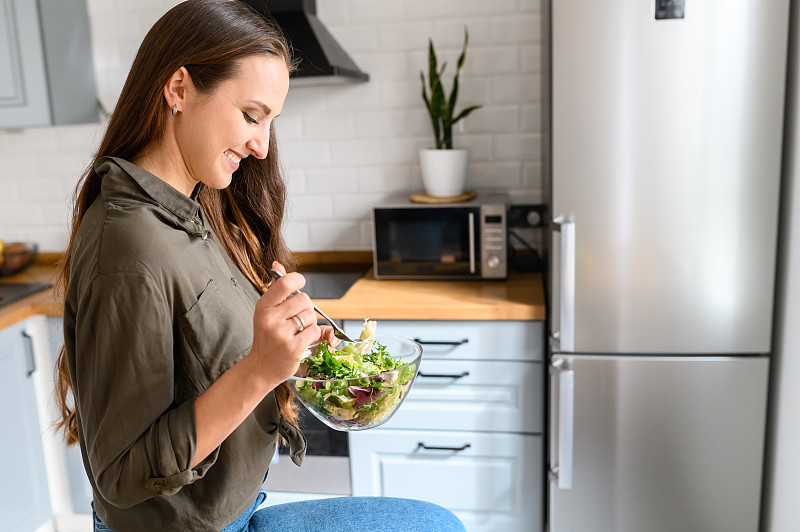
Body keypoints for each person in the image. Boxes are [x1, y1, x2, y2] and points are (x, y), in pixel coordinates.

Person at [53, 1, 466, 531]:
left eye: (270, 121)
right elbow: (123, 473)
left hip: (240, 508)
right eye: (251, 115)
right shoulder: (127, 246)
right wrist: (260, 370)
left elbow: (204, 356)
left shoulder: (194, 207)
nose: (260, 144)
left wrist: (290, 348)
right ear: (179, 89)